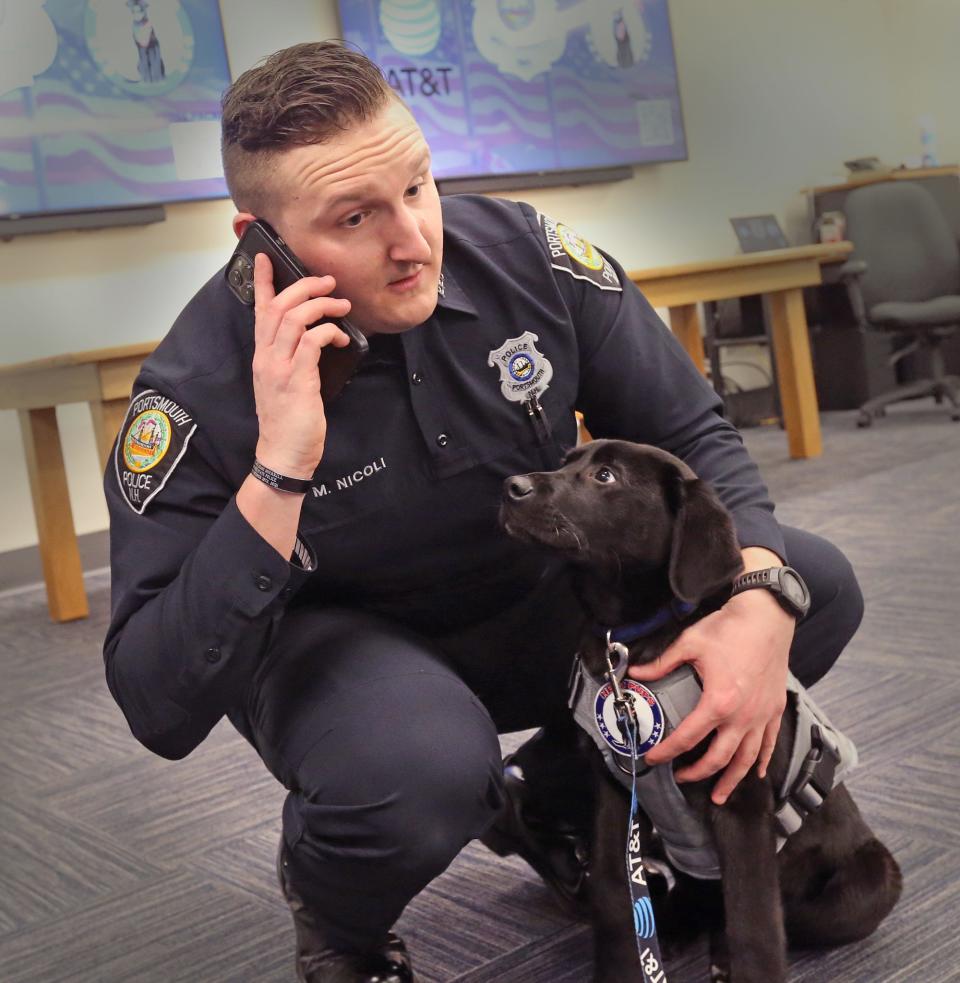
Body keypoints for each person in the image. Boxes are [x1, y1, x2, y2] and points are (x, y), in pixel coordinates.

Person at [102, 41, 864, 983]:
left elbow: (695, 438)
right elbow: (154, 700)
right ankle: (338, 915)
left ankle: (551, 794)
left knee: (807, 587)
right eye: (355, 216)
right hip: (352, 654)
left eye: (417, 185)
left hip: (543, 606)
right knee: (419, 770)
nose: (414, 239)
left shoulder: (528, 259)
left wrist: (755, 604)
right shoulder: (192, 391)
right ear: (261, 240)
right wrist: (278, 468)